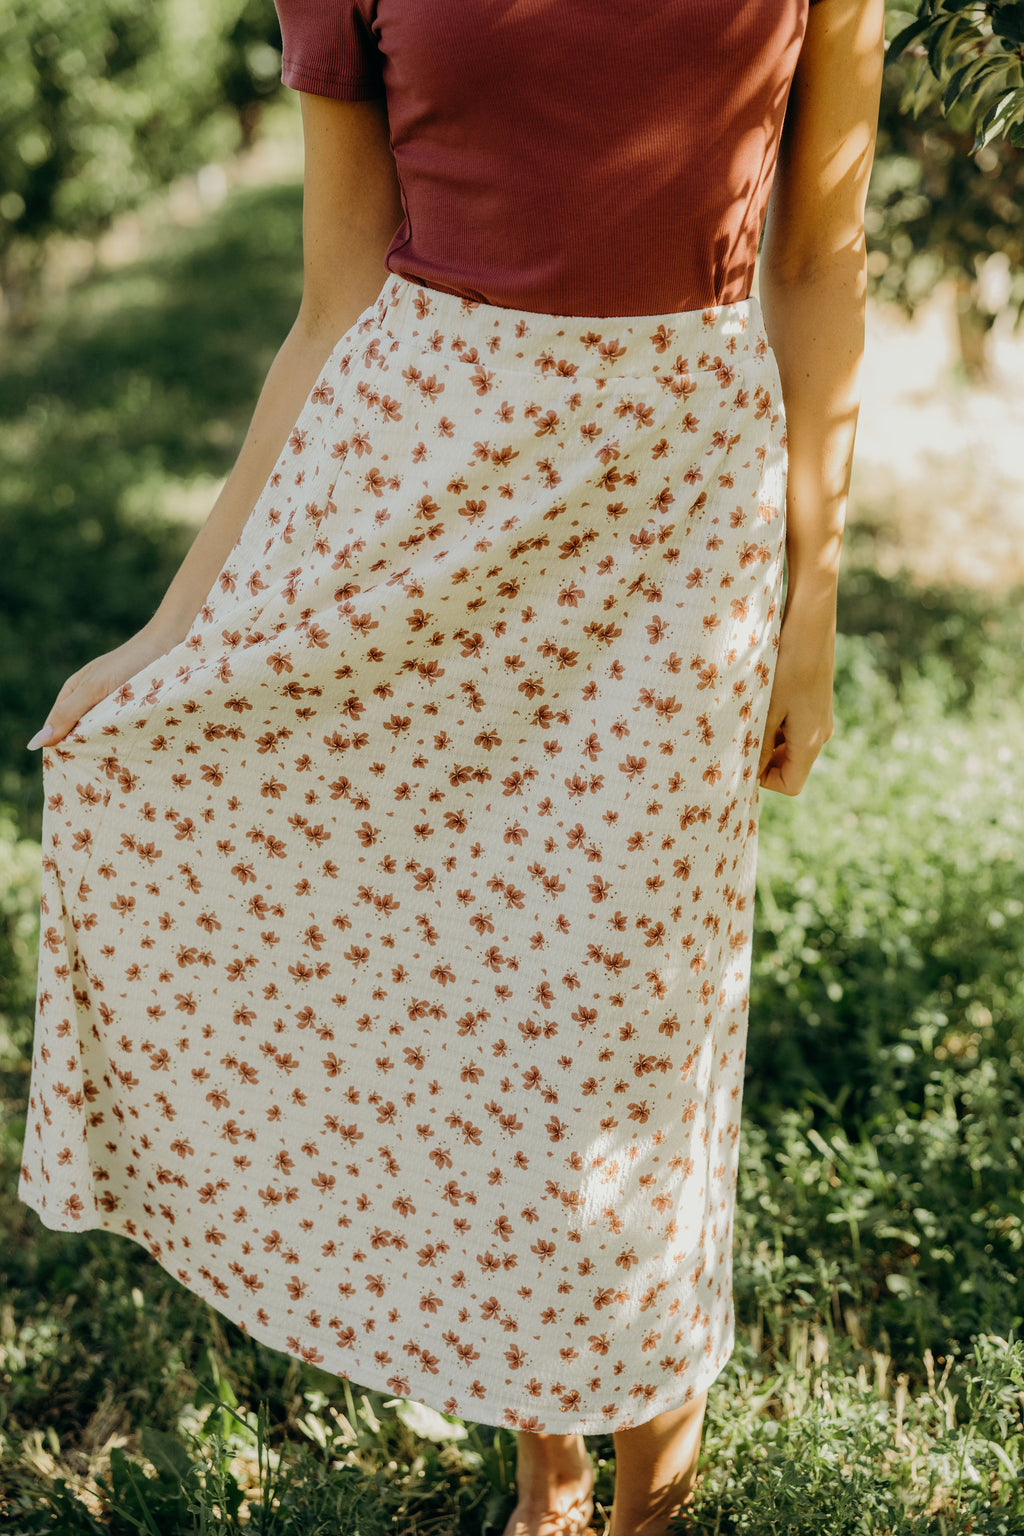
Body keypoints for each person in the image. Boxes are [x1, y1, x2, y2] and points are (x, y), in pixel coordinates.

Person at [20, 2, 884, 1531]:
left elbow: (818, 261)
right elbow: (335, 295)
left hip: (676, 521)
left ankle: (645, 1505)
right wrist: (177, 627)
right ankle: (542, 1484)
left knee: (634, 1020)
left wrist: (810, 598)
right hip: (414, 486)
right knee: (479, 1003)